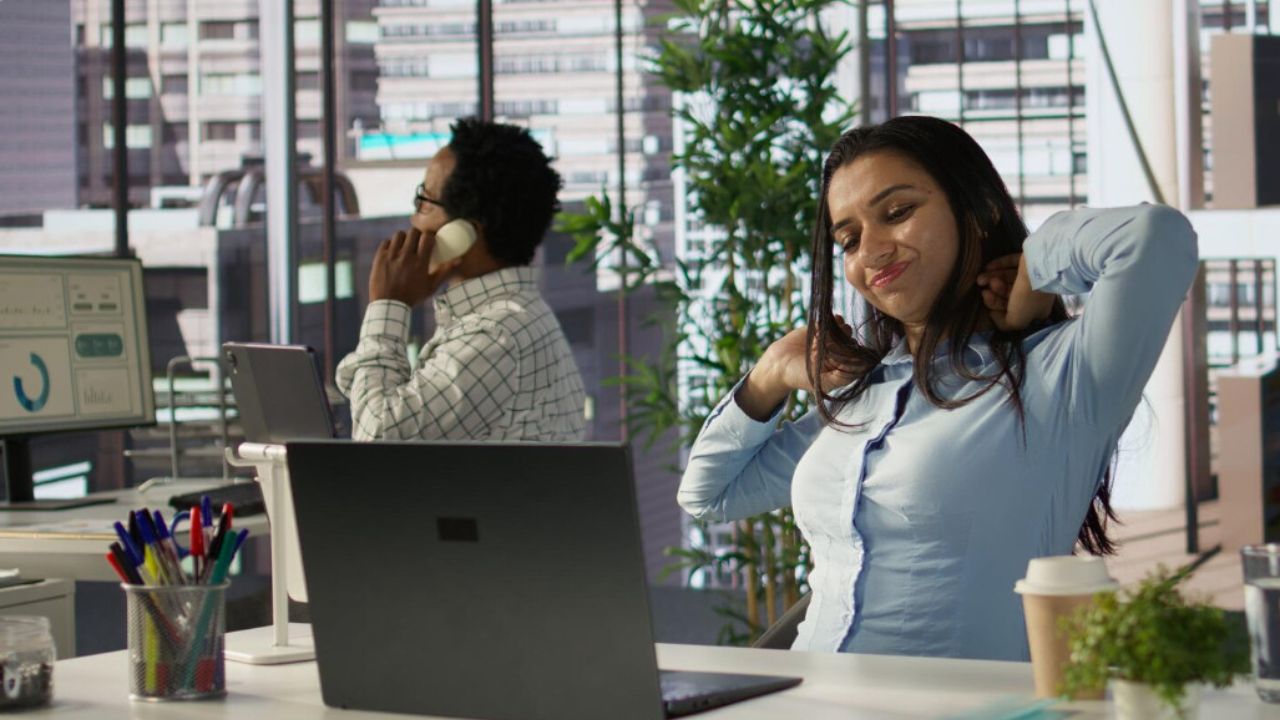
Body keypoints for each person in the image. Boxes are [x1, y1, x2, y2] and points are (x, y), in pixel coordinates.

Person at [677, 116, 1198, 661]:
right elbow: (708, 495)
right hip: (805, 695)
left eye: (897, 213)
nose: (871, 250)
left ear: (976, 210)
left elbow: (1155, 239)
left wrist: (1031, 272)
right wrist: (768, 377)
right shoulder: (867, 394)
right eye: (849, 240)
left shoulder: (1060, 375)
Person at [336, 118, 586, 442]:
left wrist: (389, 305)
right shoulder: (506, 321)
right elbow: (361, 391)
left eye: (424, 201)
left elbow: (376, 438)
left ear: (462, 234)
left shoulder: (495, 337)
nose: (413, 220)